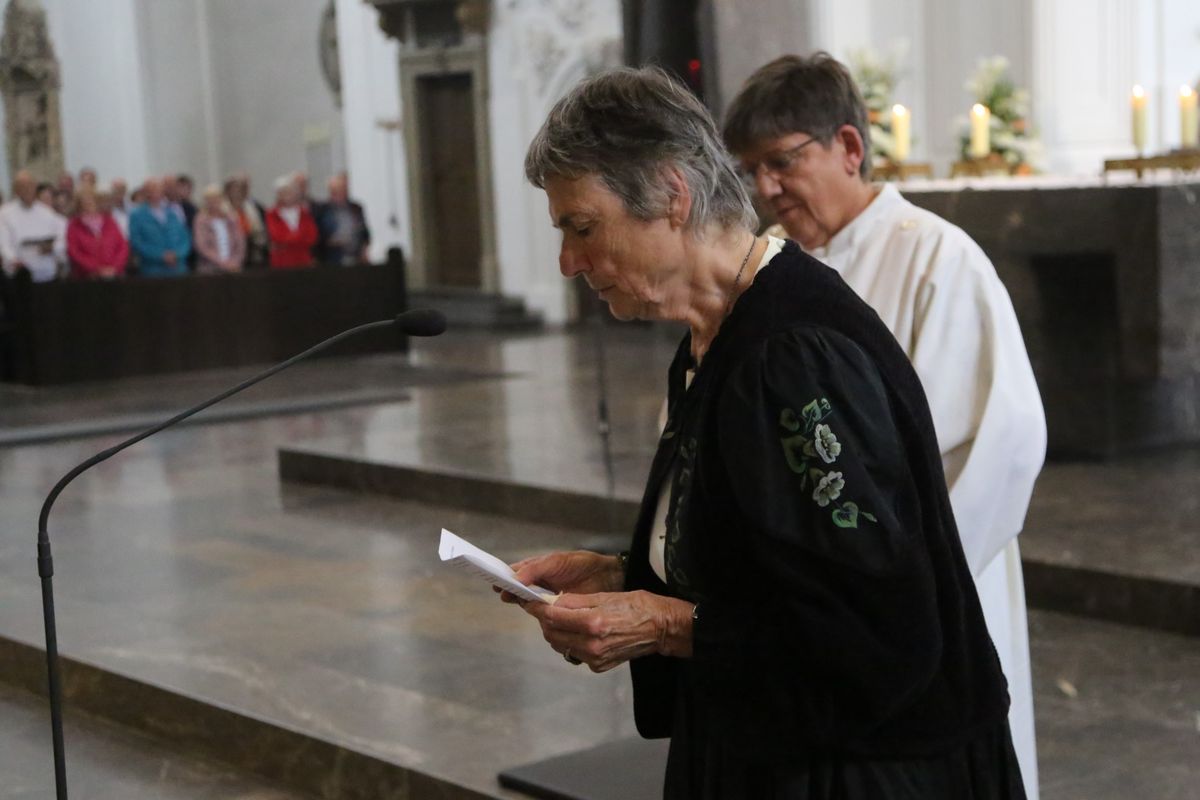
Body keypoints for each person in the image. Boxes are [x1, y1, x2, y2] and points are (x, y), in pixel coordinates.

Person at [508, 66, 1025, 799]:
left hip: (864, 769)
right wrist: (630, 576)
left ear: (671, 194)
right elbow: (767, 557)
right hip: (772, 746)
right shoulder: (714, 337)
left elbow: (875, 630)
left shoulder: (794, 355)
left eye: (582, 228)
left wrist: (662, 625)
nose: (569, 263)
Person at [722, 53, 1046, 800]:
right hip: (815, 612)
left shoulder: (937, 259)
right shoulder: (771, 272)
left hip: (924, 601)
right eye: (751, 170)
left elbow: (1003, 441)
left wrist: (898, 589)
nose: (765, 188)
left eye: (781, 161)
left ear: (849, 146)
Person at [0, 171, 67, 282]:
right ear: (16, 190)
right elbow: (3, 244)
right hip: (19, 277)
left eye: (30, 186)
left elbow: (62, 238)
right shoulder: (5, 213)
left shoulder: (47, 212)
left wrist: (53, 248)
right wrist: (12, 259)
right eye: (23, 187)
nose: (28, 190)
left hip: (47, 274)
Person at [128, 176, 191, 277]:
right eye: (151, 189)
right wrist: (160, 256)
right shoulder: (136, 215)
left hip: (178, 269)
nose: (155, 192)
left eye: (158, 189)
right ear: (145, 192)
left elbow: (185, 238)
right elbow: (136, 242)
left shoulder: (173, 212)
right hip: (153, 271)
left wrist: (178, 254)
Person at [66, 186, 128, 279]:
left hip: (114, 275)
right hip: (87, 277)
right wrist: (97, 269)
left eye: (91, 199)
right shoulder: (74, 224)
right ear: (79, 204)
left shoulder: (109, 221)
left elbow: (122, 246)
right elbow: (74, 252)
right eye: (84, 201)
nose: (88, 203)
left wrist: (115, 268)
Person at [314, 173, 371, 266]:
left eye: (342, 190)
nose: (339, 194)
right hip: (332, 259)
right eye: (335, 191)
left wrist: (364, 249)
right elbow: (318, 235)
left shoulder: (356, 208)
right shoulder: (322, 210)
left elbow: (364, 231)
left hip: (355, 256)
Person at [265, 177, 318, 269]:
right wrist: (300, 237)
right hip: (281, 262)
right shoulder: (272, 214)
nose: (287, 195)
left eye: (290, 191)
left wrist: (289, 239)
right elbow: (277, 236)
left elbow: (312, 237)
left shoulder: (305, 213)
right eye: (283, 192)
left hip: (303, 261)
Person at [192, 184, 245, 274]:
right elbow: (202, 246)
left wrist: (235, 261)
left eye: (216, 199)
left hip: (233, 267)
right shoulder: (201, 220)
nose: (214, 202)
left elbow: (240, 242)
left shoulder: (231, 218)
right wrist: (222, 262)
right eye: (210, 200)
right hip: (210, 268)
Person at [225, 174, 267, 267]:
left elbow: (259, 229)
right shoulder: (223, 209)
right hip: (231, 250)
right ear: (227, 191)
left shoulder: (253, 208)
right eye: (233, 189)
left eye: (240, 190)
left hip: (252, 249)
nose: (236, 192)